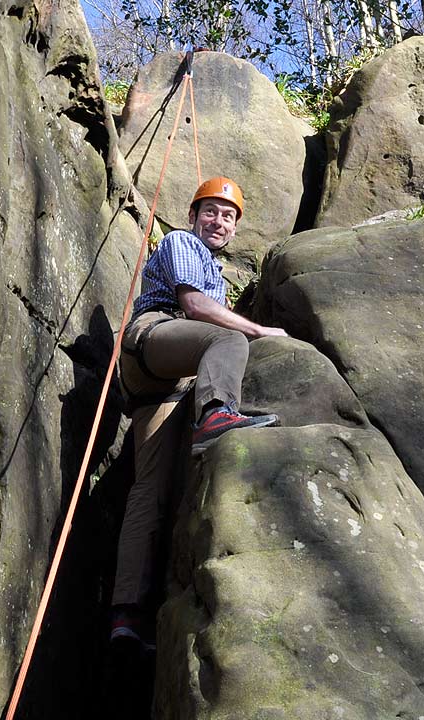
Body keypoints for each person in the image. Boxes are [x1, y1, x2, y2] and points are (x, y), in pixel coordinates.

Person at [109, 176, 287, 648]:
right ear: (192, 216)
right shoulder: (182, 242)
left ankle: (128, 615)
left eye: (228, 216)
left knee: (151, 489)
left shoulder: (215, 270)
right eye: (210, 211)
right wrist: (259, 330)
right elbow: (192, 307)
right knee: (228, 337)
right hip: (155, 338)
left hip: (162, 384)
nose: (218, 221)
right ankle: (216, 414)